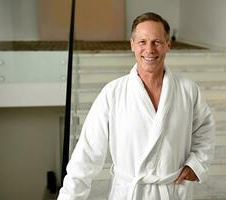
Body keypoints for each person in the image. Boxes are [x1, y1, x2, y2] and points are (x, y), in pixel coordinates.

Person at [58, 12, 215, 200]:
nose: (149, 49)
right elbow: (86, 155)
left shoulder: (188, 90)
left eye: (157, 42)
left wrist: (196, 164)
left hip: (173, 192)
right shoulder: (112, 93)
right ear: (132, 45)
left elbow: (205, 130)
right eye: (142, 42)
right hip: (129, 193)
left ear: (168, 45)